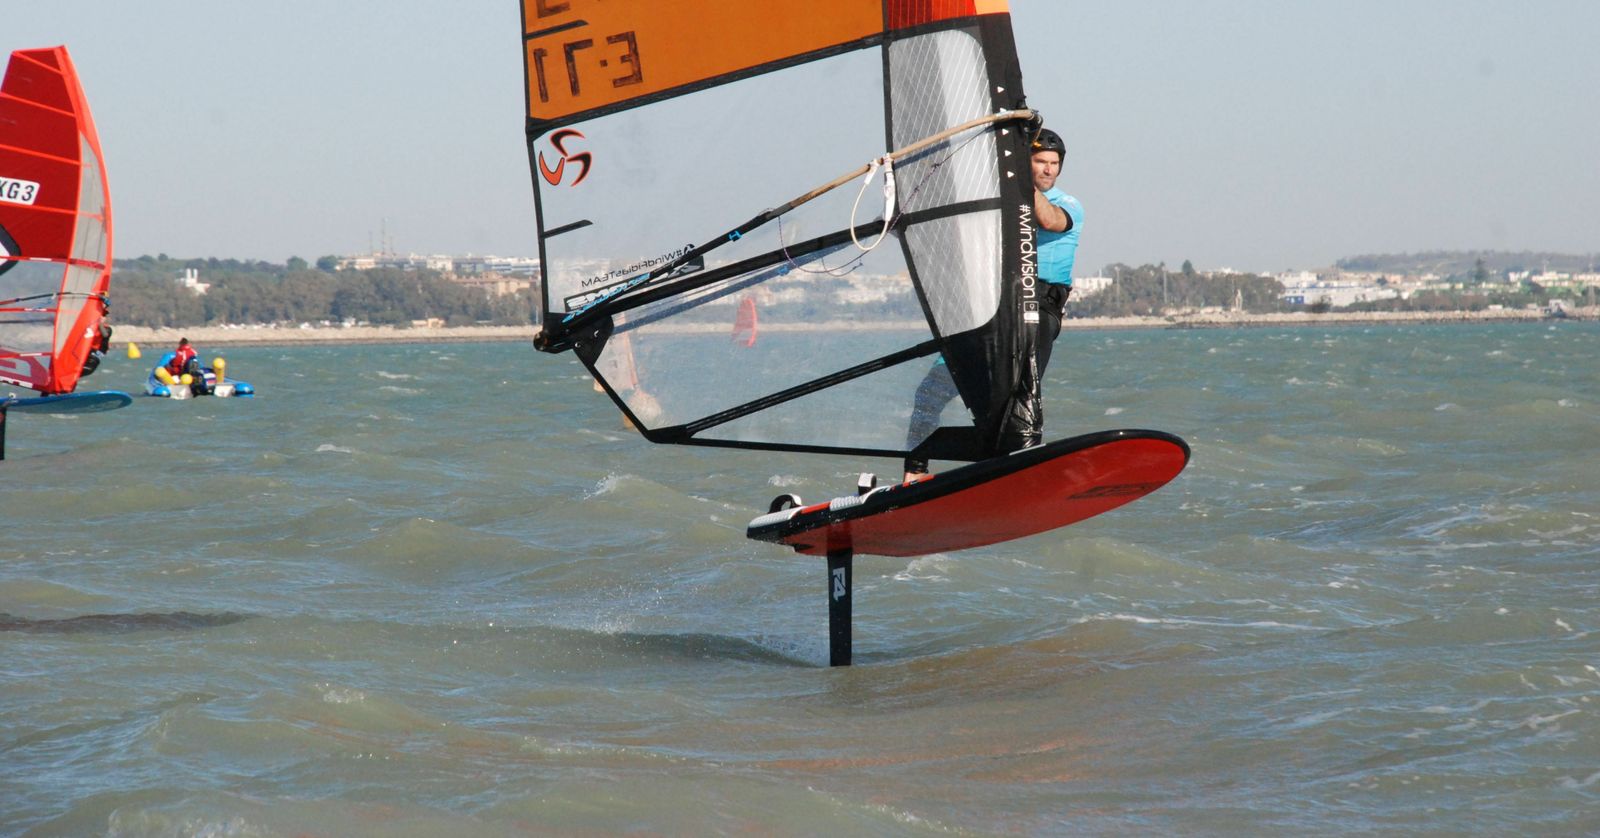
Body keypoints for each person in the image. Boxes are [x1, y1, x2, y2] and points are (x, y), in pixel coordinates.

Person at [901, 126, 1083, 482]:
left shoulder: (1068, 204)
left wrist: (1017, 181)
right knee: (930, 392)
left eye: (1054, 163)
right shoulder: (997, 206)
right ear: (1026, 163)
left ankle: (1019, 466)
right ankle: (914, 471)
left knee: (1019, 394)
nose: (1048, 169)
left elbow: (1048, 219)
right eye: (1040, 162)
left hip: (1038, 308)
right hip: (991, 306)